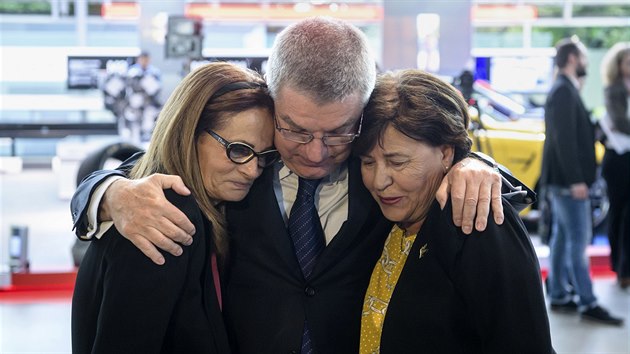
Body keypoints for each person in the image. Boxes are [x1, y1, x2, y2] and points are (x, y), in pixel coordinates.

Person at [71, 17, 532, 353]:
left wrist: (475, 163)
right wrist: (108, 194)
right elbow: (149, 167)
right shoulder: (240, 157)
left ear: (364, 113)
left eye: (337, 132)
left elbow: (431, 148)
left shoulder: (379, 170)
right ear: (273, 101)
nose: (316, 152)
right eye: (294, 129)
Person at [71, 62, 279, 353]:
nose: (253, 170)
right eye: (240, 150)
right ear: (189, 133)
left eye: (264, 155)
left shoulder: (182, 198)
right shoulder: (161, 218)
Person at [355, 69, 554, 353]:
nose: (379, 181)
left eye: (397, 162)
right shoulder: (389, 215)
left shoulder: (478, 221)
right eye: (367, 162)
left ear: (446, 153)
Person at [541, 36, 623, 325]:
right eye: (584, 58)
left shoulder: (565, 89)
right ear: (574, 59)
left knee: (562, 239)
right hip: (568, 183)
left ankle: (560, 294)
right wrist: (577, 180)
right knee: (578, 241)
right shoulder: (563, 92)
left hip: (564, 181)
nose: (587, 64)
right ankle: (587, 301)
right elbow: (563, 141)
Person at [600, 42, 630, 289]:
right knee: (619, 214)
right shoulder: (614, 90)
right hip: (618, 160)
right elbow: (620, 122)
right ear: (618, 65)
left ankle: (625, 266)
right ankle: (620, 268)